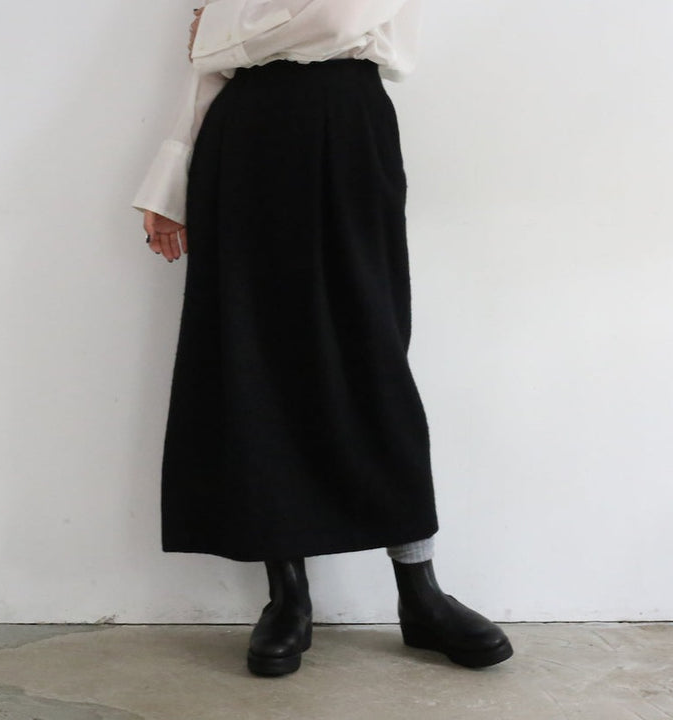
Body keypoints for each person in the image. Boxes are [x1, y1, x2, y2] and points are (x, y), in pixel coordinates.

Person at [132, 0, 513, 677]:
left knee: (373, 353)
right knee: (254, 354)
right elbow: (209, 72)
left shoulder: (235, 34)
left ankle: (420, 593)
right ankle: (288, 597)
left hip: (347, 126)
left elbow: (337, 21)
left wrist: (222, 32)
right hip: (243, 139)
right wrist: (172, 177)